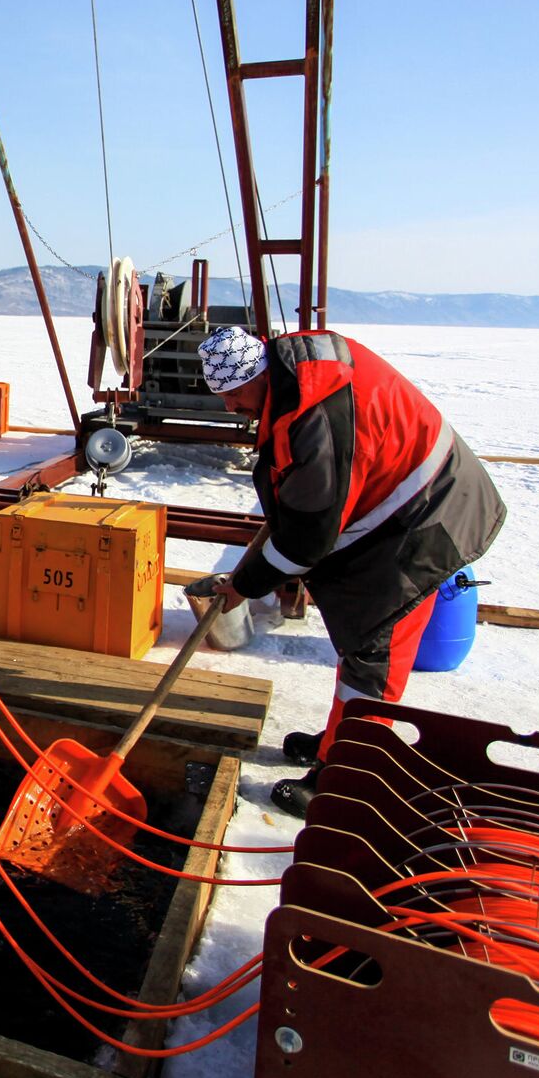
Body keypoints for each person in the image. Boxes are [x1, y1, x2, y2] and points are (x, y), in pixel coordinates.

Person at [190, 325, 505, 819]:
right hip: (398, 502)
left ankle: (346, 775)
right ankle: (341, 735)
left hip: (426, 519)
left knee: (374, 649)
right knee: (359, 642)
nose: (231, 408)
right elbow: (301, 509)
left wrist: (245, 588)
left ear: (258, 374)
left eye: (233, 395)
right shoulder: (297, 377)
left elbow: (308, 541)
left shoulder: (317, 421)